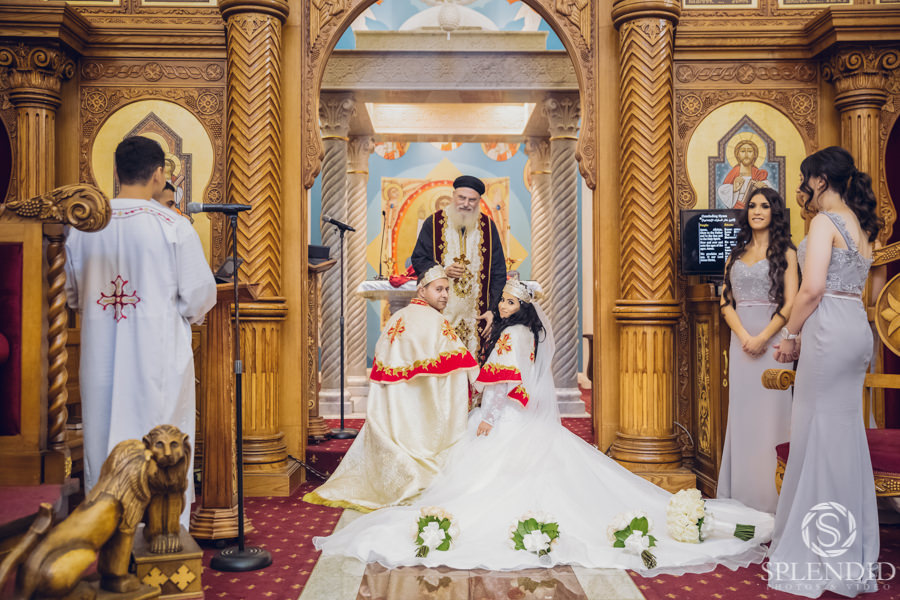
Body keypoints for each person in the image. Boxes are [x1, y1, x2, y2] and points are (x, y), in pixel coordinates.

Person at [313, 279, 774, 573]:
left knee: (482, 481)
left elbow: (501, 386)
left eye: (509, 300)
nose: (502, 304)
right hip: (527, 418)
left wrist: (487, 420)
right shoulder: (530, 334)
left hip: (505, 418)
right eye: (502, 298)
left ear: (522, 306)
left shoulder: (510, 336)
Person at [64, 136, 217, 530]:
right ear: (159, 175)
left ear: (116, 172)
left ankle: (105, 530)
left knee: (103, 438)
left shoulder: (82, 228)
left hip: (101, 357)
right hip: (158, 358)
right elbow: (199, 295)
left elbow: (71, 294)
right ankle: (163, 533)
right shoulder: (173, 226)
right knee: (161, 440)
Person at [767, 147, 886, 598]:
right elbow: (865, 285)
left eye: (806, 179)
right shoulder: (862, 224)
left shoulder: (823, 222)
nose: (804, 187)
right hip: (855, 327)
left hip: (828, 329)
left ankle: (819, 547)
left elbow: (812, 288)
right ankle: (848, 544)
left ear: (819, 179)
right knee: (843, 432)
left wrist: (790, 334)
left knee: (816, 430)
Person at [303, 265, 479, 512]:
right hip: (422, 415)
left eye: (447, 290)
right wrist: (478, 382)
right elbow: (459, 367)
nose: (445, 295)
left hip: (393, 412)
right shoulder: (436, 321)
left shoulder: (398, 317)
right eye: (439, 289)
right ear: (422, 290)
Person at [718, 188, 798, 513]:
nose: (757, 210)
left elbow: (791, 303)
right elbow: (725, 302)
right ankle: (741, 497)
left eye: (764, 205)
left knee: (773, 418)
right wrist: (744, 337)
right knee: (743, 417)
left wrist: (763, 337)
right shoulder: (735, 254)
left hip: (774, 345)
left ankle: (772, 500)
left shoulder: (787, 252)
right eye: (752, 205)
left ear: (774, 211)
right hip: (741, 346)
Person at [411, 175, 506, 358]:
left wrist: (493, 310)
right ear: (453, 196)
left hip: (478, 316)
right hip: (440, 313)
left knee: (475, 363)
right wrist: (442, 271)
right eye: (462, 198)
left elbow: (499, 272)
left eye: (472, 200)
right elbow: (419, 259)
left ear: (479, 201)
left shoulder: (488, 227)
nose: (466, 204)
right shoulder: (434, 223)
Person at [717, 139, 774, 210]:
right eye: (743, 151)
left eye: (750, 151)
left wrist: (763, 188)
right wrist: (734, 189)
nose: (746, 154)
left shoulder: (758, 174)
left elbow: (772, 194)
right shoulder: (734, 173)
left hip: (754, 209)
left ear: (754, 155)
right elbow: (722, 191)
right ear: (737, 154)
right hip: (736, 210)